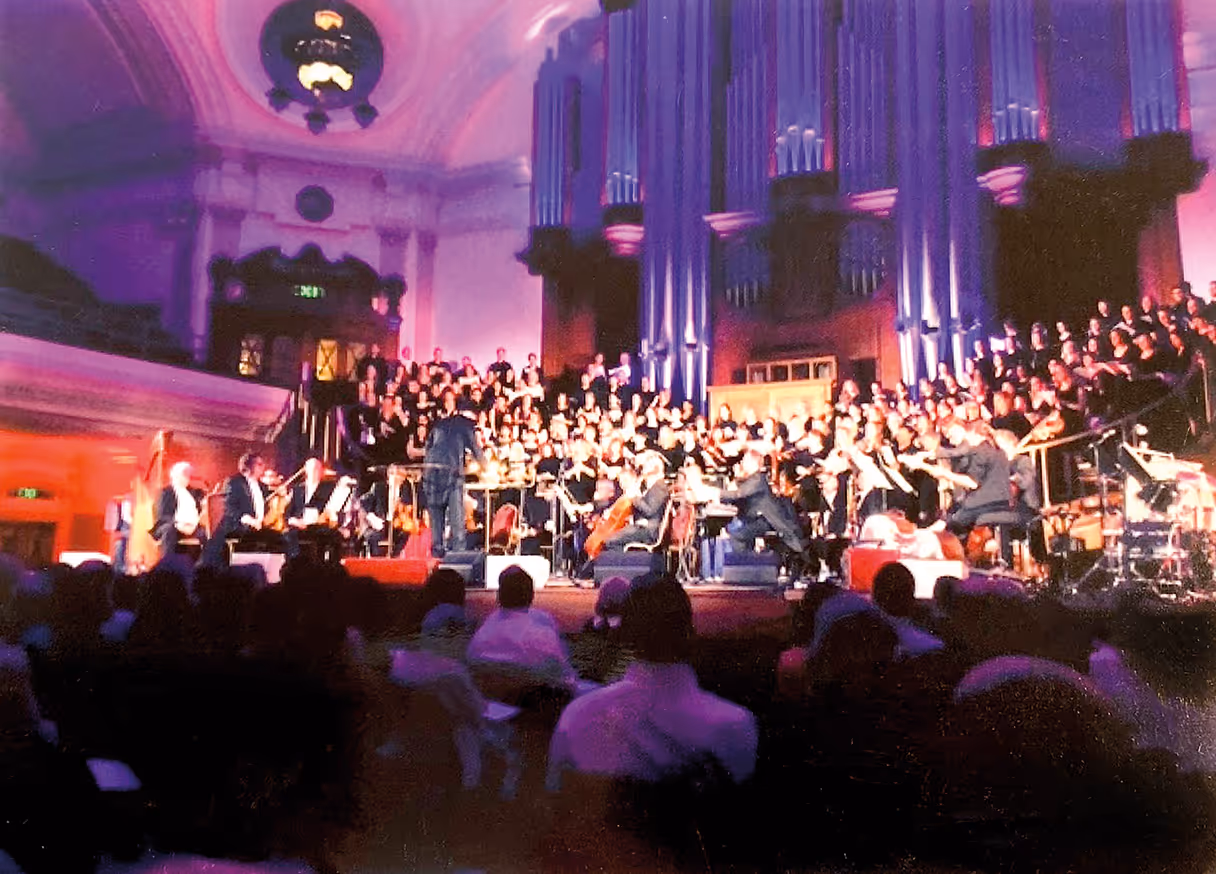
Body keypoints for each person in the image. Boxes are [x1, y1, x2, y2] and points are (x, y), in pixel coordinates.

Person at [546, 572, 757, 790]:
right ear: (691, 634)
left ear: (625, 635)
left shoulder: (577, 717)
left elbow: (555, 799)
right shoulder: (735, 727)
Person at [466, 564, 578, 695]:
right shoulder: (541, 634)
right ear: (531, 596)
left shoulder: (482, 633)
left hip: (490, 702)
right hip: (535, 703)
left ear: (498, 596)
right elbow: (565, 679)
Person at [422, 389, 489, 558]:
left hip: (431, 474)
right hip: (451, 475)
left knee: (437, 527)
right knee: (457, 523)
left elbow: (428, 449)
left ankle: (436, 560)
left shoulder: (438, 424)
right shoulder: (465, 424)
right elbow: (476, 450)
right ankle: (458, 561)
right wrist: (487, 469)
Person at [202, 452, 276, 567]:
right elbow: (230, 508)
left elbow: (267, 505)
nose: (263, 467)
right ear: (249, 466)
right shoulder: (234, 482)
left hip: (257, 526)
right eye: (259, 464)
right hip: (237, 525)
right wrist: (248, 519)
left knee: (278, 539)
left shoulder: (263, 486)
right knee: (253, 537)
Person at [152, 461, 206, 560]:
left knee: (207, 533)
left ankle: (205, 563)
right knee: (169, 531)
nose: (187, 478)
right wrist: (178, 524)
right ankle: (168, 563)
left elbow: (202, 504)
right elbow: (162, 516)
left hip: (193, 526)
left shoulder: (194, 492)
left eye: (188, 475)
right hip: (172, 525)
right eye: (184, 475)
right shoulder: (166, 493)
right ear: (176, 476)